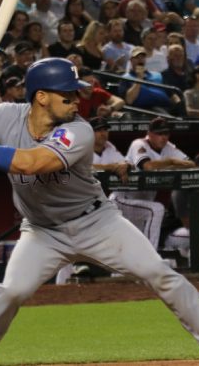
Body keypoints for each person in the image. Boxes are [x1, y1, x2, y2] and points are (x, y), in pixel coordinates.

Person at [0, 57, 199, 366]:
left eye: (76, 92)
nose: (76, 101)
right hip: (42, 232)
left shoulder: (79, 130)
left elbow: (34, 163)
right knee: (11, 292)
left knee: (161, 274)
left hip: (97, 222)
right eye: (67, 94)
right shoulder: (1, 117)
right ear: (40, 96)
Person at [55, 116, 128, 285]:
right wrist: (111, 167)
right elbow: (85, 168)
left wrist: (125, 165)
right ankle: (60, 289)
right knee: (66, 251)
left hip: (91, 205)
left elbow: (123, 161)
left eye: (105, 129)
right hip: (69, 203)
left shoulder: (110, 148)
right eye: (99, 130)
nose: (103, 134)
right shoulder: (80, 146)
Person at [112, 117, 195, 248]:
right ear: (150, 134)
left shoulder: (169, 148)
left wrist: (170, 164)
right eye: (159, 133)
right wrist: (171, 162)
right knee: (157, 209)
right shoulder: (139, 144)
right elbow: (148, 166)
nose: (163, 137)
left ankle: (147, 261)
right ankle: (153, 257)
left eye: (166, 133)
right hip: (122, 200)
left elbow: (191, 164)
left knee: (131, 248)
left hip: (141, 206)